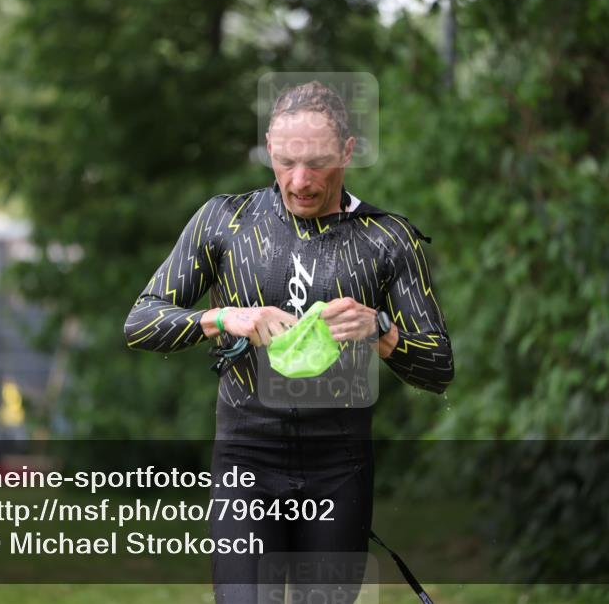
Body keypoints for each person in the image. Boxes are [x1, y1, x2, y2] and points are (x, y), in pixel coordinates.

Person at [125, 81, 453, 603]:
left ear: (349, 151)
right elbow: (141, 322)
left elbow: (439, 367)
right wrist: (223, 317)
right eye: (284, 161)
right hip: (245, 462)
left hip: (339, 470)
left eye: (318, 163)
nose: (299, 181)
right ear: (269, 150)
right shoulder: (225, 221)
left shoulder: (388, 240)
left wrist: (382, 331)